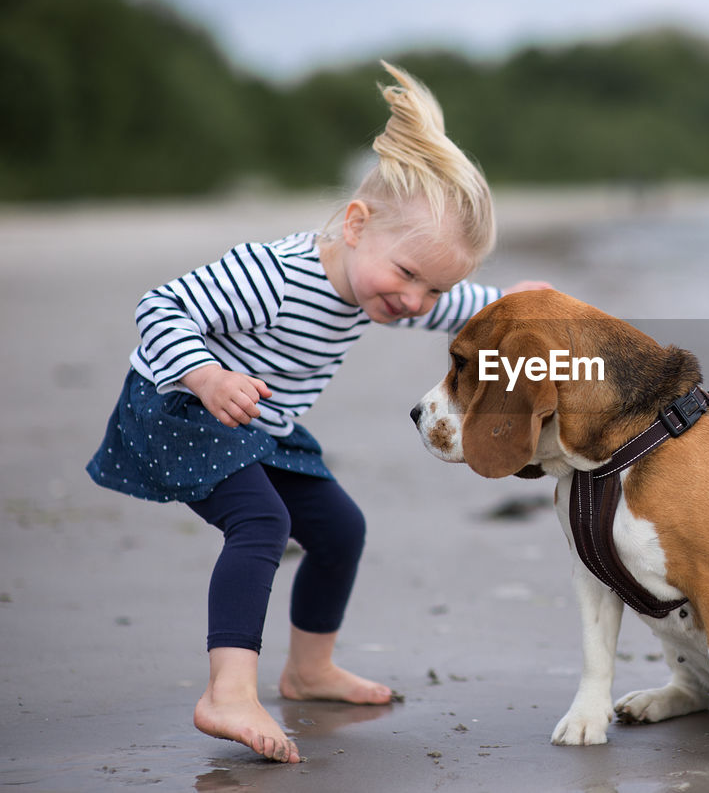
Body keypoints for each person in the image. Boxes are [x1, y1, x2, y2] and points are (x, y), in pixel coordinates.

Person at [86, 62, 549, 763]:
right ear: (356, 225)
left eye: (432, 286)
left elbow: (447, 311)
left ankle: (308, 669)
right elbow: (160, 307)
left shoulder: (376, 287)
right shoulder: (272, 275)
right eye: (407, 276)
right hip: (181, 405)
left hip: (258, 422)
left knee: (339, 528)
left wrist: (508, 302)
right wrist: (206, 374)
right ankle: (228, 692)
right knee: (262, 521)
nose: (415, 300)